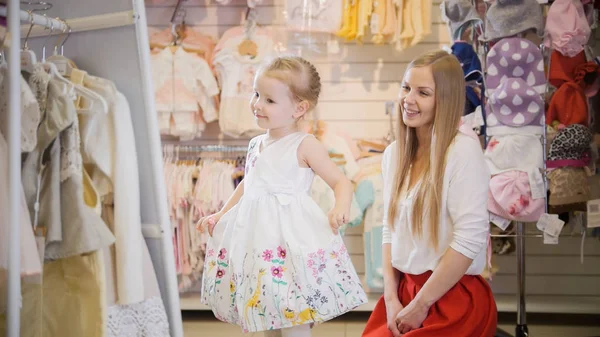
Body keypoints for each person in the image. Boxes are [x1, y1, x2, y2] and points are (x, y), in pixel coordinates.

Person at [197, 55, 368, 337]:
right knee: (266, 312)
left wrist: (341, 207)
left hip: (291, 241)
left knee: (292, 315)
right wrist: (220, 214)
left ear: (299, 108)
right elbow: (248, 185)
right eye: (256, 94)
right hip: (258, 240)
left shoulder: (305, 145)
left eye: (269, 100)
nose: (257, 104)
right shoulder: (255, 144)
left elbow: (341, 182)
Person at [361, 50, 497, 337]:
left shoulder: (462, 151)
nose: (408, 99)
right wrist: (390, 297)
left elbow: (469, 237)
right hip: (404, 292)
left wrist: (422, 303)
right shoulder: (394, 154)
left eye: (423, 92)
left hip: (451, 297)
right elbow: (390, 228)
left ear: (444, 100)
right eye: (406, 87)